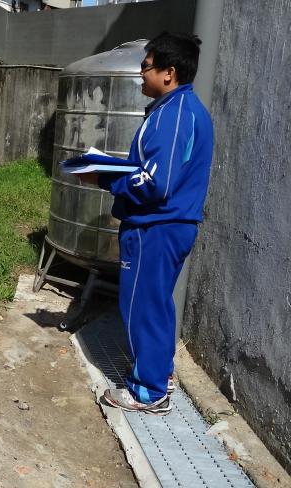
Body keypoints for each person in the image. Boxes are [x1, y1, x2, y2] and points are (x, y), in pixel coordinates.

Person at [81, 32, 213, 416]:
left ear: (169, 73)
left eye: (146, 67)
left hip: (157, 227)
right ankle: (160, 373)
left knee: (141, 305)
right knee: (156, 303)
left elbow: (157, 182)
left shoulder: (174, 115)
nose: (141, 76)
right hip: (165, 224)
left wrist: (104, 176)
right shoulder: (178, 110)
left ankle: (148, 392)